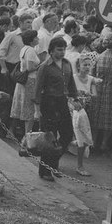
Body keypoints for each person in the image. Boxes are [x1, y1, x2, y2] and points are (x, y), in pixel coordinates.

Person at [34, 36, 78, 181]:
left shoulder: (67, 64)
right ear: (51, 51)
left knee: (67, 134)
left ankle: (54, 163)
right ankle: (45, 171)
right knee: (49, 138)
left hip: (62, 102)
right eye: (59, 49)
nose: (62, 52)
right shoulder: (45, 66)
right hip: (49, 102)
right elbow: (38, 88)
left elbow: (71, 84)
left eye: (64, 49)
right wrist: (37, 109)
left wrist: (75, 98)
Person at [90, 33, 112, 153]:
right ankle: (104, 143)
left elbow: (92, 74)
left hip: (99, 88)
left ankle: (93, 141)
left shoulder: (99, 57)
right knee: (109, 117)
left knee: (96, 115)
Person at [71, 53, 99, 176]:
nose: (87, 67)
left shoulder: (91, 79)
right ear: (78, 66)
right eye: (84, 65)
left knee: (82, 139)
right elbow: (68, 93)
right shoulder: (73, 78)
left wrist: (88, 96)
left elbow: (95, 94)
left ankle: (80, 165)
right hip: (72, 109)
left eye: (89, 65)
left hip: (84, 111)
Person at [10, 30, 41, 135]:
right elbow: (30, 67)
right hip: (30, 80)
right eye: (36, 38)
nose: (38, 39)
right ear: (32, 40)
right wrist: (40, 66)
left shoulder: (24, 49)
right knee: (29, 109)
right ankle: (28, 134)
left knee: (24, 106)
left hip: (25, 81)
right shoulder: (31, 50)